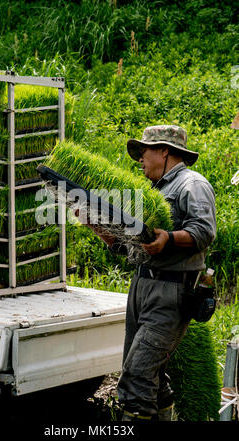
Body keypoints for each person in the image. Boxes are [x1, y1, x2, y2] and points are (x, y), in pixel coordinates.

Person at [85, 125, 216, 421]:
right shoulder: (152, 191)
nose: (140, 160)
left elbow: (204, 231)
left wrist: (169, 238)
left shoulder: (191, 185)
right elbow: (133, 246)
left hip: (171, 292)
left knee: (136, 377)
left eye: (144, 152)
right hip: (142, 287)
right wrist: (100, 229)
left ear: (165, 150)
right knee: (152, 375)